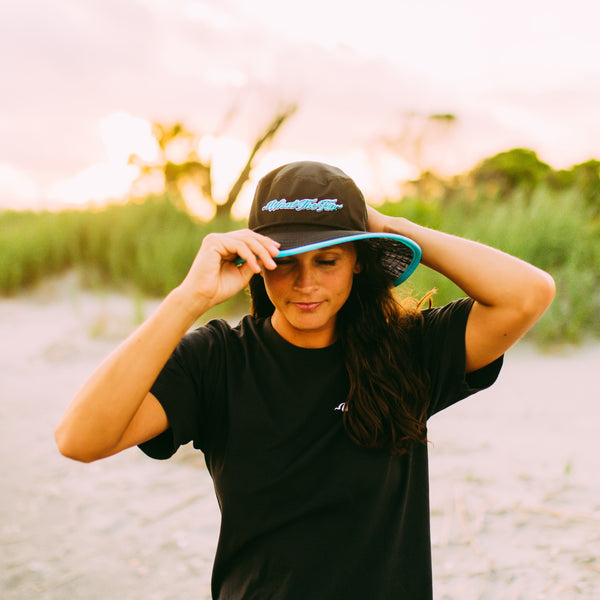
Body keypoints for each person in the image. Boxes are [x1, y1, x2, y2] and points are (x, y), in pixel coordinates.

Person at [55, 161, 555, 600]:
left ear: (358, 262)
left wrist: (386, 226)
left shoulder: (407, 351)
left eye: (327, 260)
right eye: (286, 262)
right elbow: (80, 439)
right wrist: (189, 298)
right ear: (258, 264)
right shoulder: (218, 361)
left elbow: (528, 294)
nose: (306, 283)